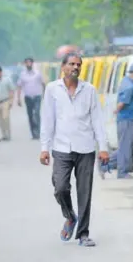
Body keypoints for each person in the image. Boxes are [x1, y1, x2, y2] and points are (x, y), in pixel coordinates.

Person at [39, 52, 109, 247]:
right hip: (61, 147)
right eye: (71, 64)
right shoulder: (53, 89)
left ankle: (83, 234)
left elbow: (97, 120)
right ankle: (70, 216)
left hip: (85, 148)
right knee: (60, 187)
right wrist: (44, 148)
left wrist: (102, 147)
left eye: (78, 64)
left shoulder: (89, 90)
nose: (75, 67)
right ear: (63, 67)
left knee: (84, 192)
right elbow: (47, 120)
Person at [102, 63, 133, 179]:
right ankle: (120, 171)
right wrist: (116, 111)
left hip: (123, 119)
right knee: (125, 146)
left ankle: (105, 165)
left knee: (123, 146)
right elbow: (122, 103)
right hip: (126, 119)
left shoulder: (125, 81)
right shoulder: (130, 86)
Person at [17, 57, 45, 140]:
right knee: (30, 115)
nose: (28, 64)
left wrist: (45, 94)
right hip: (28, 97)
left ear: (32, 63)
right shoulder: (22, 74)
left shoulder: (37, 73)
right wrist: (18, 99)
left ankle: (38, 132)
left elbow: (43, 83)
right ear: (25, 64)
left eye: (30, 62)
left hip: (37, 96)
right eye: (27, 63)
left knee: (36, 114)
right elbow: (19, 86)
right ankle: (33, 133)